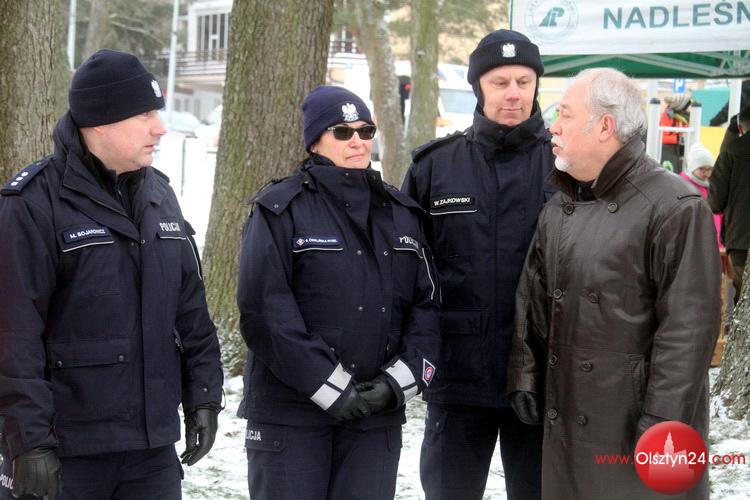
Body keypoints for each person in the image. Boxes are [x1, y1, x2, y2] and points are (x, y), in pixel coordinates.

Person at [0, 49, 223, 500]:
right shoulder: (33, 203)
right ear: (99, 121)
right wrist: (29, 440)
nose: (160, 127)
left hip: (151, 452)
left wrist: (203, 394)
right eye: (145, 115)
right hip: (65, 450)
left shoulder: (159, 195)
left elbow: (190, 310)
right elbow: (12, 333)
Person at [507, 68, 720, 499]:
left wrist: (662, 423)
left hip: (632, 426)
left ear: (605, 126)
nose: (553, 127)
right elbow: (533, 299)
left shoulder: (675, 206)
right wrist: (525, 374)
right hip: (566, 418)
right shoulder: (559, 207)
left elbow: (689, 329)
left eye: (565, 115)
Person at [236, 86, 440, 500]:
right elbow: (265, 310)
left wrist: (395, 386)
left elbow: (428, 309)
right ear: (315, 142)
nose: (358, 141)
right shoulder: (280, 209)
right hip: (292, 414)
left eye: (366, 131)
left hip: (374, 418)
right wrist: (329, 387)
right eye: (343, 132)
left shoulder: (402, 214)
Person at [402, 29, 553, 500]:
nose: (514, 94)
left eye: (524, 82)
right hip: (458, 378)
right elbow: (408, 274)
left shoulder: (567, 164)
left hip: (544, 377)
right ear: (478, 88)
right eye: (500, 82)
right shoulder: (435, 167)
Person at [709, 105, 750, 304]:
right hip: (741, 238)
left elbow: (715, 202)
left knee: (744, 303)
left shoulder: (732, 151)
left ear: (741, 128)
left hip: (741, 239)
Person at [680, 142, 723, 251]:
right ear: (692, 167)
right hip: (696, 242)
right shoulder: (684, 186)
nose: (706, 173)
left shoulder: (712, 186)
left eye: (709, 169)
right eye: (701, 169)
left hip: (715, 241)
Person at [660, 93, 691, 172]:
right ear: (681, 105)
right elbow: (664, 136)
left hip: (680, 149)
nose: (689, 108)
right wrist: (677, 137)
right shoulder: (668, 116)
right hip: (669, 150)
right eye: (688, 105)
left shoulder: (684, 117)